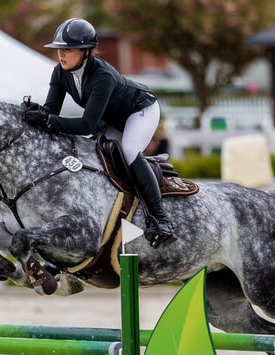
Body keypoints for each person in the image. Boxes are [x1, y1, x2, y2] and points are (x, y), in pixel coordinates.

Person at [23, 18, 175, 248]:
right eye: (59, 49)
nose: (61, 54)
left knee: (129, 150)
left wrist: (48, 120)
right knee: (96, 154)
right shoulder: (60, 72)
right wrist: (36, 113)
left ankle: (160, 218)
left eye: (68, 50)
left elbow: (87, 126)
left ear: (85, 51)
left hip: (140, 110)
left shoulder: (102, 76)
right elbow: (51, 112)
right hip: (112, 119)